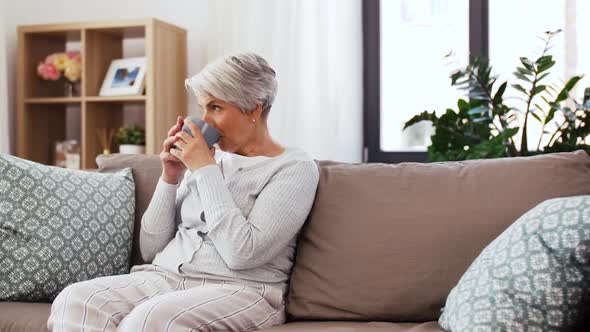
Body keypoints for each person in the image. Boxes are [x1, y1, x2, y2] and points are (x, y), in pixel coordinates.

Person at [47, 53, 320, 331]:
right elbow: (151, 249)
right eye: (202, 108)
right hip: (166, 277)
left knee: (152, 320)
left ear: (253, 109)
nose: (205, 122)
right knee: (76, 298)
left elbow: (242, 254)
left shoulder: (293, 168)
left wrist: (204, 169)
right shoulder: (207, 161)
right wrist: (170, 176)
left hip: (243, 290)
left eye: (216, 108)